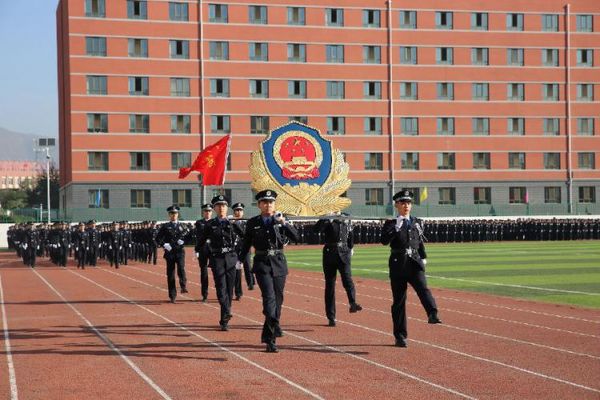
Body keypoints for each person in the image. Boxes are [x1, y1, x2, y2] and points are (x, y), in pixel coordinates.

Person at [239, 190, 299, 353]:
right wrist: (240, 259)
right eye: (264, 202)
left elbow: (296, 237)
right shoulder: (253, 222)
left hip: (279, 263)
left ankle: (269, 338)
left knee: (278, 299)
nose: (268, 205)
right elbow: (246, 243)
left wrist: (284, 223)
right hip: (262, 263)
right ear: (259, 205)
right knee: (269, 297)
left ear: (275, 204)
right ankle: (274, 326)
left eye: (271, 202)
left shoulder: (281, 219)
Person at [381, 189, 441, 348]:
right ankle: (400, 336)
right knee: (399, 301)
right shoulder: (391, 223)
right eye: (402, 203)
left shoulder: (417, 222)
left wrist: (424, 256)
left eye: (408, 203)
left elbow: (420, 241)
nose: (406, 205)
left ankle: (432, 313)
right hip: (398, 263)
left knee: (423, 289)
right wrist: (396, 227)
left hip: (414, 262)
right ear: (396, 205)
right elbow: (384, 241)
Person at [197, 195, 244, 331]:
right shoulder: (210, 224)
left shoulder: (232, 223)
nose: (221, 208)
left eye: (224, 205)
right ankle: (226, 311)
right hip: (217, 258)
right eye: (218, 206)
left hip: (231, 257)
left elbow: (244, 238)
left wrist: (240, 257)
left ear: (227, 208)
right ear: (215, 208)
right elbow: (200, 241)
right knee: (221, 287)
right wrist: (200, 251)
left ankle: (224, 319)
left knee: (229, 289)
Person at [313, 213, 362, 327]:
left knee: (347, 279)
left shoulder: (346, 218)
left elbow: (350, 234)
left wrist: (351, 248)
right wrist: (325, 219)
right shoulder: (328, 219)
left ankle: (352, 302)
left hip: (344, 253)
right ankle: (331, 316)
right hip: (330, 253)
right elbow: (316, 230)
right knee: (330, 286)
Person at [156, 205, 190, 303]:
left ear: (178, 214)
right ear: (169, 215)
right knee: (170, 274)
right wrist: (164, 244)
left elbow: (190, 237)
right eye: (171, 213)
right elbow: (157, 238)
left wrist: (184, 242)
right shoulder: (165, 226)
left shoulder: (183, 226)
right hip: (170, 252)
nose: (173, 215)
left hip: (179, 252)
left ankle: (183, 286)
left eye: (175, 213)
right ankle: (172, 295)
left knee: (181, 268)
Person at [232, 202, 255, 297]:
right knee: (237, 270)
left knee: (247, 266)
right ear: (234, 212)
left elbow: (246, 235)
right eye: (237, 210)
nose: (238, 212)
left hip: (245, 247)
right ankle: (238, 292)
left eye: (240, 210)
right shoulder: (230, 222)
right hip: (235, 249)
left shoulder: (247, 222)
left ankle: (250, 283)